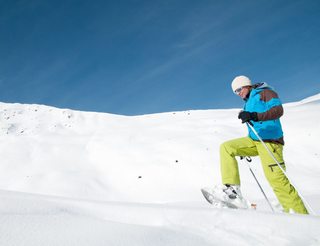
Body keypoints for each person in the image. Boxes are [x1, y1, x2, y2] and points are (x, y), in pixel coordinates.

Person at [218, 75, 308, 214]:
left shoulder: (265, 92)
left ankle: (300, 215)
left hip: (270, 142)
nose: (238, 93)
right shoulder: (248, 102)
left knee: (277, 181)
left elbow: (278, 111)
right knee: (227, 147)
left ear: (246, 85)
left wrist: (254, 115)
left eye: (239, 89)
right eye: (235, 92)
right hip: (255, 141)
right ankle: (232, 191)